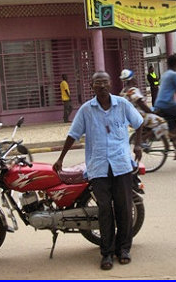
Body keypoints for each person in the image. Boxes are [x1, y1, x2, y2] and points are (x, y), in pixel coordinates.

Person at [53, 71, 144, 271]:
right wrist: (61, 158)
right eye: (97, 83)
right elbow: (73, 135)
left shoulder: (122, 104)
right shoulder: (86, 110)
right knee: (104, 211)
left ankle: (124, 249)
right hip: (98, 167)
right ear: (91, 86)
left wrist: (138, 146)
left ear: (110, 84)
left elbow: (139, 124)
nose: (101, 86)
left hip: (121, 164)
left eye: (104, 82)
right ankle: (107, 253)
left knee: (123, 209)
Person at [119, 69, 176, 160]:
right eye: (134, 77)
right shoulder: (133, 90)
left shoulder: (123, 91)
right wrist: (152, 112)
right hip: (139, 116)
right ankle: (143, 139)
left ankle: (169, 146)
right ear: (131, 79)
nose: (136, 79)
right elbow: (142, 104)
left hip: (130, 117)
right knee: (162, 122)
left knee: (157, 120)